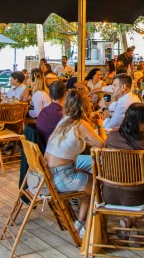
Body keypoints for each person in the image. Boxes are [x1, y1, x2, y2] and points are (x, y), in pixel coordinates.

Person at [45, 88, 106, 237]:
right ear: (86, 106)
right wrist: (99, 124)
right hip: (62, 178)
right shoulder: (80, 125)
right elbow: (102, 145)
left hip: (48, 174)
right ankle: (82, 223)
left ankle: (83, 218)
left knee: (96, 164)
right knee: (96, 182)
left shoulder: (65, 120)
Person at [104, 103, 144, 206]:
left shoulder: (112, 136)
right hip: (134, 198)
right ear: (140, 123)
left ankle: (126, 217)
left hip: (108, 195)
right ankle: (136, 216)